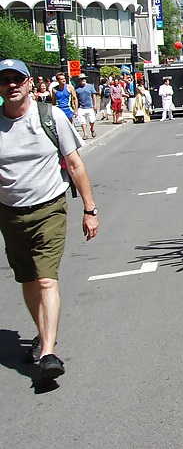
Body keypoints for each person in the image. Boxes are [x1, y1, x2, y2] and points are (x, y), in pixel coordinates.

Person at [0, 58, 99, 381]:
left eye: (18, 79)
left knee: (45, 278)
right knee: (27, 279)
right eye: (5, 81)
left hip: (48, 208)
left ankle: (48, 351)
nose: (11, 85)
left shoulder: (50, 116)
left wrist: (90, 209)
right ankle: (42, 335)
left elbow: (75, 163)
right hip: (10, 213)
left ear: (30, 83)